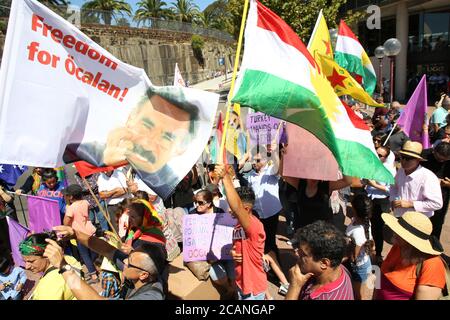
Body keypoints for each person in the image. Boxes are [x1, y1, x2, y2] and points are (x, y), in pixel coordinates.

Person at [64, 86, 201, 199]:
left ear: (180, 149)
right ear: (130, 119)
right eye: (146, 125)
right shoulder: (89, 150)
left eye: (166, 137)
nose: (148, 142)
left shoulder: (168, 178)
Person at [43, 226, 166, 300]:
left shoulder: (150, 297)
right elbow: (107, 249)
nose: (124, 261)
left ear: (144, 275)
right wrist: (75, 234)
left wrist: (63, 267)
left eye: (130, 261)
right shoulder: (140, 270)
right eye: (129, 256)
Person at [215, 164, 267, 300]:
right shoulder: (238, 226)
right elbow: (237, 245)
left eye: (231, 206)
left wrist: (225, 177)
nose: (229, 209)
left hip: (253, 288)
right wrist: (233, 251)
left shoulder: (254, 226)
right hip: (241, 282)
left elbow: (237, 206)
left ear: (247, 208)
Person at [376, 211, 447, 300]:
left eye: (399, 231)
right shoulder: (399, 247)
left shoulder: (432, 264)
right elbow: (382, 274)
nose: (394, 233)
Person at [285, 221, 354, 300]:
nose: (296, 253)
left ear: (324, 263)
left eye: (303, 253)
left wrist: (295, 286)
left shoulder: (324, 297)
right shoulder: (339, 268)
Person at [19, 232, 82, 300]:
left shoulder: (47, 289)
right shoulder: (68, 260)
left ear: (47, 254)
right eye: (25, 261)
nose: (26, 267)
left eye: (31, 261)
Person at [390, 141, 443, 218]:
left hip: (418, 221)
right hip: (399, 215)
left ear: (418, 160)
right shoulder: (401, 171)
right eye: (402, 157)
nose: (404, 161)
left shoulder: (428, 177)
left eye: (408, 158)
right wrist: (393, 200)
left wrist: (411, 204)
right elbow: (394, 187)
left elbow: (437, 203)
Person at [363, 145, 396, 264]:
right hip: (368, 197)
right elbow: (363, 181)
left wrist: (374, 185)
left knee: (378, 229)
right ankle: (365, 249)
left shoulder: (390, 170)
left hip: (381, 202)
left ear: (386, 158)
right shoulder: (371, 165)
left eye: (380, 155)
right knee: (366, 224)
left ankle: (378, 253)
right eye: (376, 153)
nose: (376, 156)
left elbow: (390, 190)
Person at [62, 184, 99, 284]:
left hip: (80, 233)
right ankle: (94, 268)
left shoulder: (71, 207)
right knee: (92, 252)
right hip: (90, 231)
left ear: (71, 197)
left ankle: (93, 275)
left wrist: (67, 208)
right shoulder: (85, 202)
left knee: (85, 255)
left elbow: (66, 222)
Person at [346, 194, 374, 300]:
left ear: (355, 209)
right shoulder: (362, 222)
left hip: (359, 266)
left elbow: (355, 255)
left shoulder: (358, 231)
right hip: (364, 262)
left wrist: (351, 261)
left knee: (358, 294)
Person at [421, 142, 450, 239]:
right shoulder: (424, 155)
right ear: (434, 151)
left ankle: (433, 247)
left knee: (437, 223)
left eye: (444, 160)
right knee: (420, 220)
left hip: (442, 195)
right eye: (439, 158)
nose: (441, 161)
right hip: (421, 194)